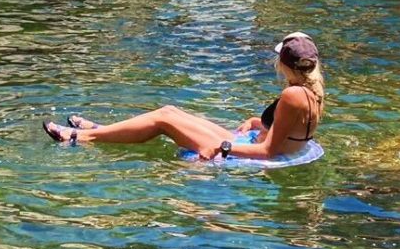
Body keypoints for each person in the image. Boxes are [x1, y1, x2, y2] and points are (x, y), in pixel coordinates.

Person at [45, 32, 325, 161]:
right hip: (250, 141)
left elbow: (269, 152)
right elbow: (290, 132)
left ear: (285, 64)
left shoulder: (292, 94)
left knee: (165, 119)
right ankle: (104, 131)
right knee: (171, 110)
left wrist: (223, 148)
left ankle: (83, 137)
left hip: (246, 154)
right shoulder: (312, 89)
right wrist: (258, 122)